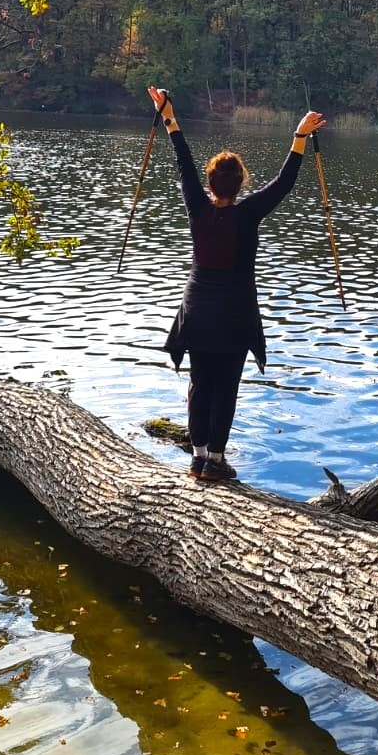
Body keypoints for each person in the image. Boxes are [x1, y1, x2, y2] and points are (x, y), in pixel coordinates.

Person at [148, 85, 325, 482]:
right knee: (225, 387)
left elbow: (183, 162)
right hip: (233, 315)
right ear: (241, 183)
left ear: (211, 185)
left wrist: (168, 116)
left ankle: (197, 459)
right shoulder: (248, 214)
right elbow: (284, 182)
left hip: (196, 312)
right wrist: (299, 136)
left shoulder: (196, 204)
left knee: (199, 383)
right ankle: (215, 460)